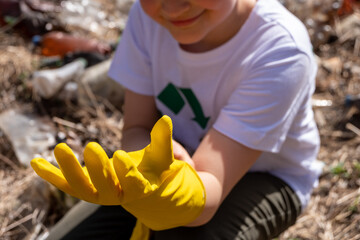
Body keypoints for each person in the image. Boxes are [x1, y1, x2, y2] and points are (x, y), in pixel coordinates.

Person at [44, 0, 324, 239]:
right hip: (172, 162)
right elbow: (137, 128)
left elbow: (208, 193)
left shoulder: (281, 50)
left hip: (266, 176)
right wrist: (144, 164)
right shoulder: (147, 18)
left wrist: (175, 192)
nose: (174, 7)